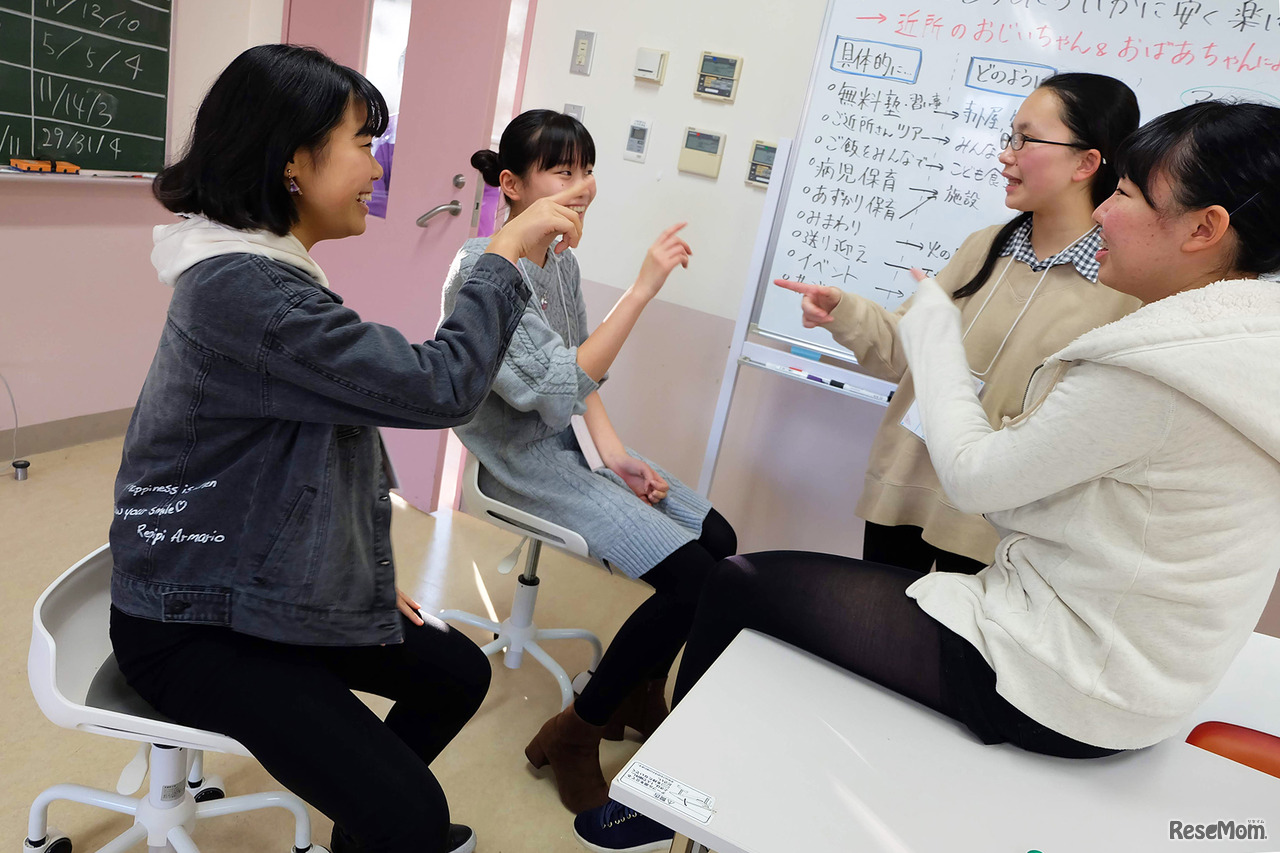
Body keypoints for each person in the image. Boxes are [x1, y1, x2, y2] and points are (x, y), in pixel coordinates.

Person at [666, 99, 1280, 842]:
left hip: (1059, 668)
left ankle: (674, 797)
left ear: (1204, 227)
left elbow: (979, 468)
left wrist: (933, 332)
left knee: (739, 581)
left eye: (1124, 193)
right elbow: (909, 343)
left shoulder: (1148, 353)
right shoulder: (1234, 335)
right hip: (1125, 669)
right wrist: (885, 321)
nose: (1104, 213)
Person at [107, 45, 586, 853]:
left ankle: (367, 826)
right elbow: (438, 386)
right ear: (293, 158)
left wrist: (350, 577)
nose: (378, 165)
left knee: (456, 674)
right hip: (194, 617)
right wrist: (503, 254)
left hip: (243, 576)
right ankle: (385, 821)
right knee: (415, 814)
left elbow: (322, 456)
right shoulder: (245, 289)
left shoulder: (267, 271)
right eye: (364, 142)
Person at [440, 110, 738, 818]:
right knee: (692, 580)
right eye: (561, 171)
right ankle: (574, 732)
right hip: (519, 461)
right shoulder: (483, 274)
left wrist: (616, 456)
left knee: (719, 542)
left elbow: (580, 381)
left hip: (569, 446)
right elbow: (551, 389)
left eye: (586, 169)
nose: (581, 187)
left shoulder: (561, 261)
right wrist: (641, 291)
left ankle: (632, 689)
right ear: (512, 185)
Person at [776, 73, 1141, 574]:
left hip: (996, 524)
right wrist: (844, 309)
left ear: (1086, 162)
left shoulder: (1122, 286)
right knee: (873, 632)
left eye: (1026, 139)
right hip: (907, 484)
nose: (1006, 155)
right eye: (1009, 136)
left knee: (946, 648)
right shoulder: (985, 246)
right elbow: (908, 355)